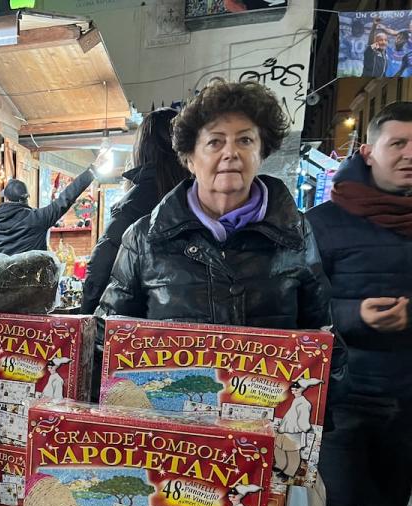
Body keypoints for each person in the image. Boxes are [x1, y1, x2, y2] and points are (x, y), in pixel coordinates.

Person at [94, 81, 347, 396]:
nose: (231, 152)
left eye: (245, 140)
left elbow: (323, 338)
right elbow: (106, 341)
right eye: (215, 142)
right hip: (172, 434)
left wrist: (309, 422)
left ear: (262, 151)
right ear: (189, 158)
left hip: (265, 430)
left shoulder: (295, 233)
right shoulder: (144, 238)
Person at [305, 101, 412, 506]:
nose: (409, 157)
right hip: (347, 393)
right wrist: (352, 315)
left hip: (408, 398)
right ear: (369, 151)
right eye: (398, 144)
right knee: (334, 502)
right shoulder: (326, 222)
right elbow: (302, 303)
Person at [81, 107, 190, 313]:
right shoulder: (199, 197)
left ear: (141, 148)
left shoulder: (135, 202)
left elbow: (99, 269)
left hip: (137, 328)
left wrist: (86, 321)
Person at [0, 168, 94, 255]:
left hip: (4, 281)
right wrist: (92, 171)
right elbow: (67, 197)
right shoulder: (38, 218)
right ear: (26, 198)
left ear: (6, 199)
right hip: (34, 280)